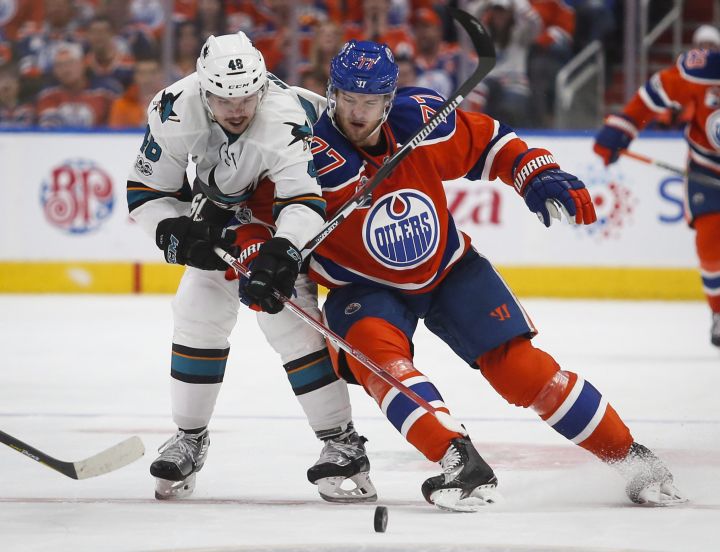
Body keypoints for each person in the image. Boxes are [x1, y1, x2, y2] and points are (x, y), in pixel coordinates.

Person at [299, 39, 686, 511]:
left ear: (388, 99)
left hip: (447, 268)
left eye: (370, 102)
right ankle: (458, 459)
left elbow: (491, 141)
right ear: (332, 94)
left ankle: (631, 458)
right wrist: (262, 259)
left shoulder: (418, 119)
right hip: (361, 287)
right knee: (387, 368)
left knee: (525, 371)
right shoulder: (304, 156)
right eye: (348, 100)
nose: (357, 114)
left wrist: (533, 172)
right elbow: (262, 222)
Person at [125, 31, 376, 502]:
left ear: (261, 88)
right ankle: (189, 437)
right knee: (197, 311)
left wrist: (283, 251)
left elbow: (303, 202)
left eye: (246, 97)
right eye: (224, 99)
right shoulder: (172, 110)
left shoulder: (285, 118)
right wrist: (174, 232)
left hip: (276, 214)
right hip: (220, 211)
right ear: (203, 90)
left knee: (289, 321)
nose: (237, 110)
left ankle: (341, 442)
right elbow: (147, 192)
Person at [593, 38, 720, 348]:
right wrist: (623, 127)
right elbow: (657, 91)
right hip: (708, 169)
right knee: (710, 239)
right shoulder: (703, 70)